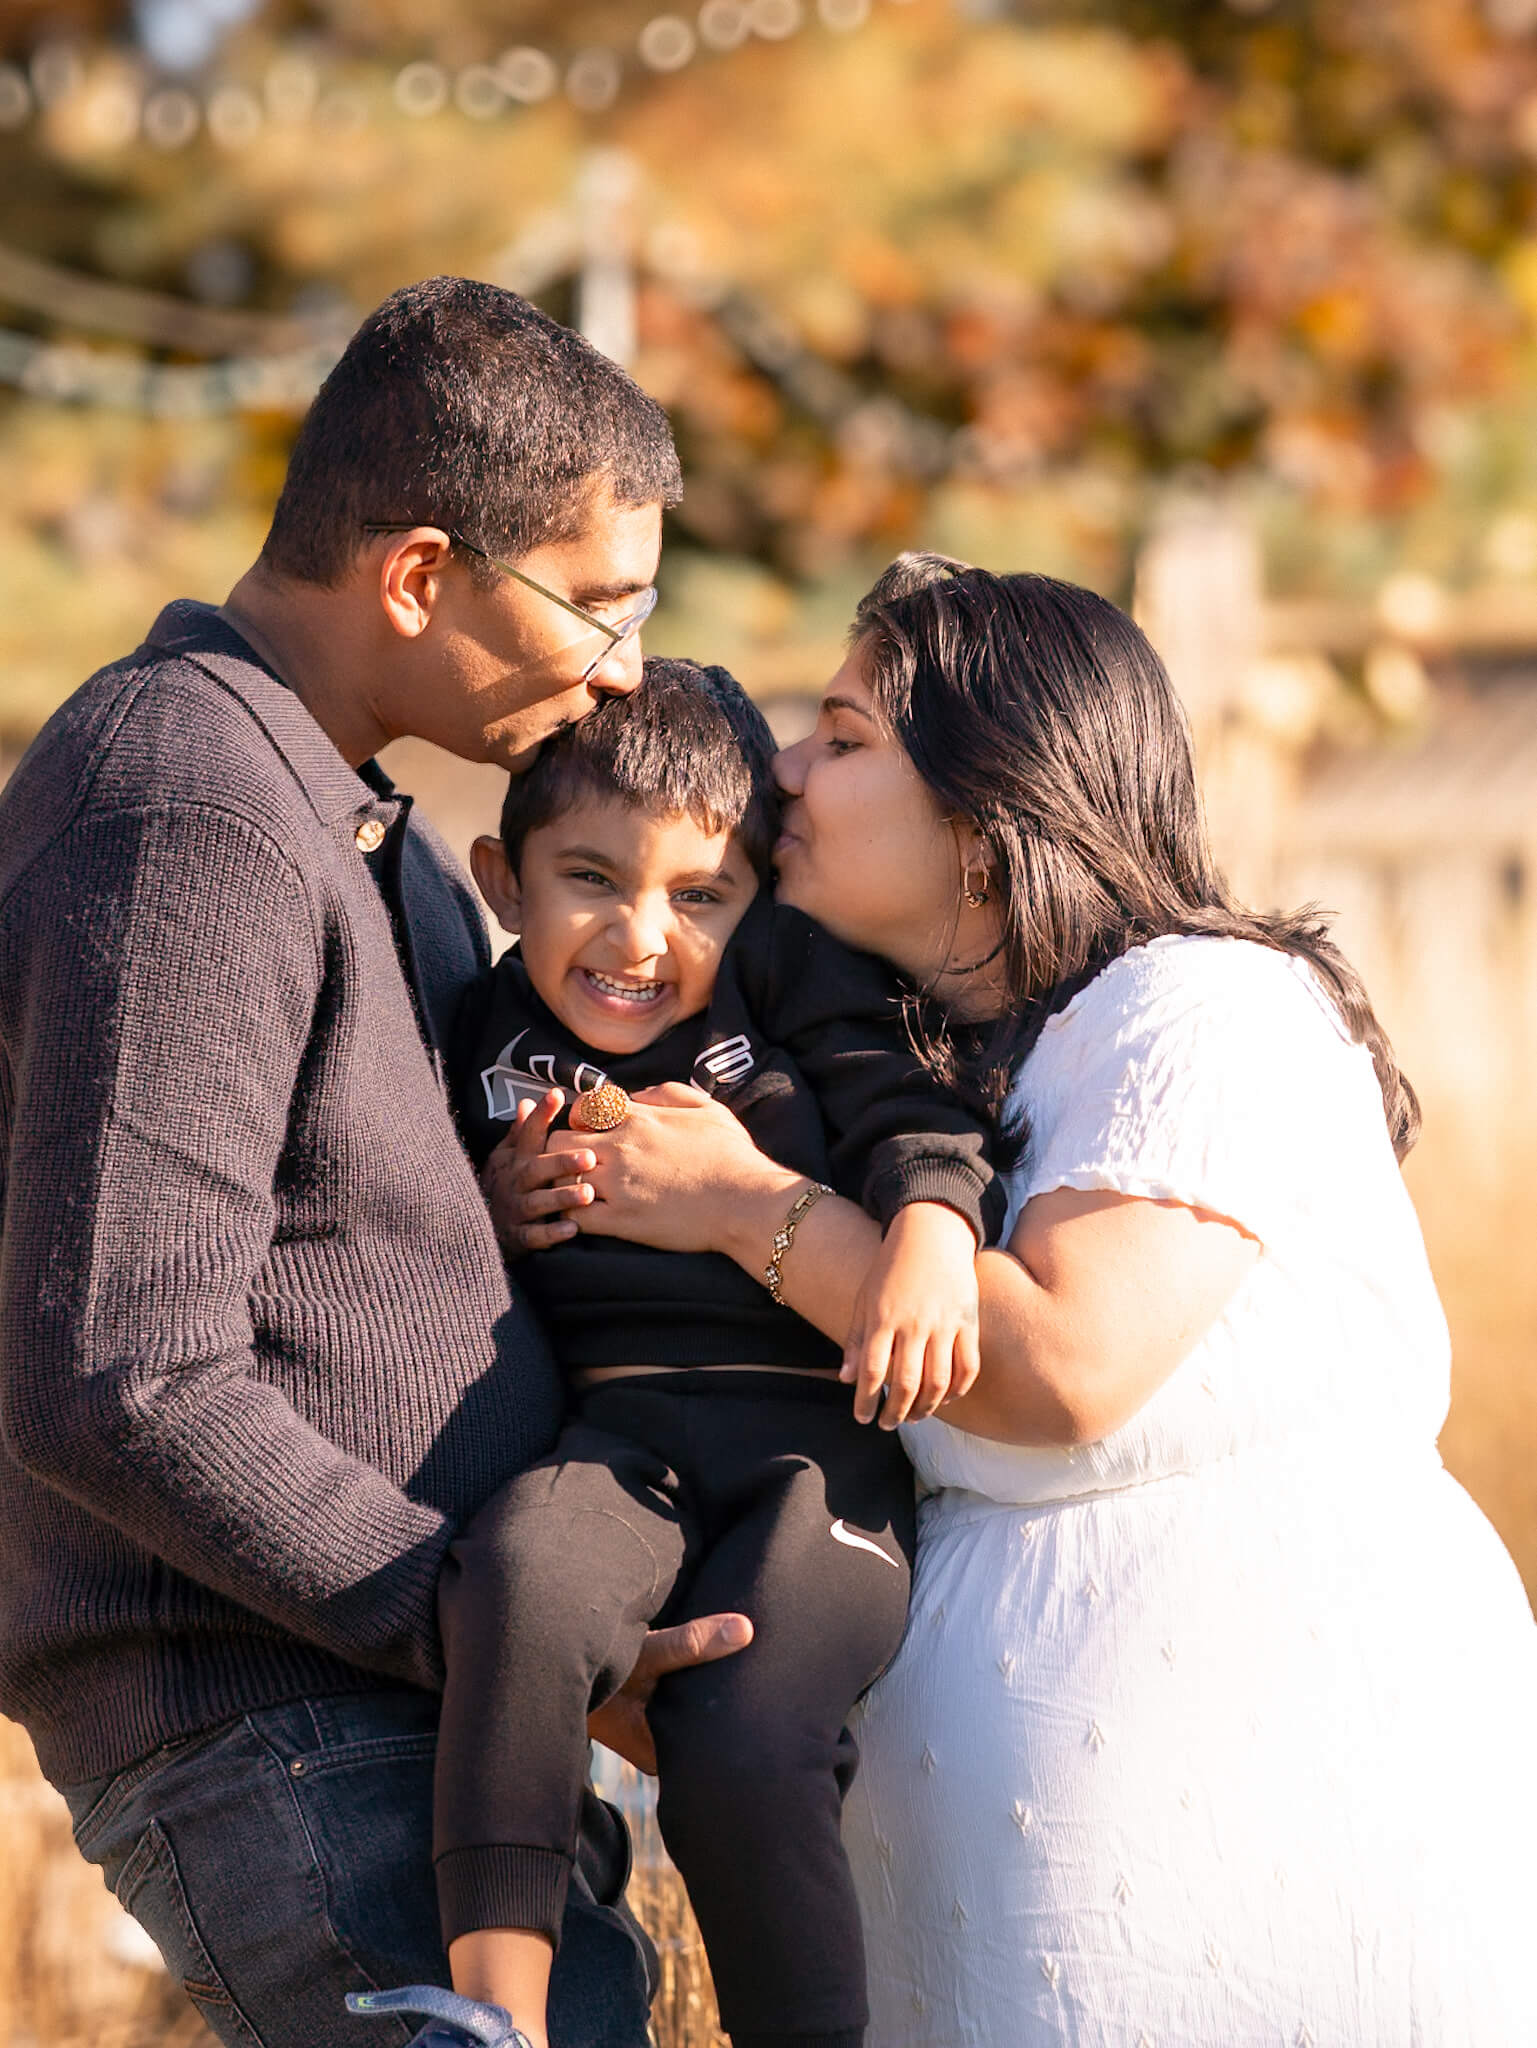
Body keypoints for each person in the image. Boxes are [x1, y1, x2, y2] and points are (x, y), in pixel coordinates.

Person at [497, 553, 1537, 2045]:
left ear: (985, 822)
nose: (782, 772)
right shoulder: (906, 1079)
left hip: (1271, 1885)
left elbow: (1061, 1363)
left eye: (842, 737)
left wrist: (737, 1208)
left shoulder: (1198, 1004)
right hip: (977, 1937)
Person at [0, 275, 747, 2048]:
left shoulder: (351, 816)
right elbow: (118, 1370)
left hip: (400, 1714)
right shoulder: (184, 806)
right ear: (419, 575)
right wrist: (490, 1628)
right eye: (597, 607)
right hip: (285, 1724)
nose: (625, 668)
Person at [428, 655, 999, 2048]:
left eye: (697, 896)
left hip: (819, 1460)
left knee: (740, 1741)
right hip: (617, 1447)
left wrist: (930, 1225)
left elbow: (906, 1107)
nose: (638, 938)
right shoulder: (474, 1028)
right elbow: (399, 1231)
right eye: (588, 880)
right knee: (513, 1579)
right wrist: (488, 1210)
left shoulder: (787, 986)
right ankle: (493, 2016)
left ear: (754, 902)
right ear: (502, 881)